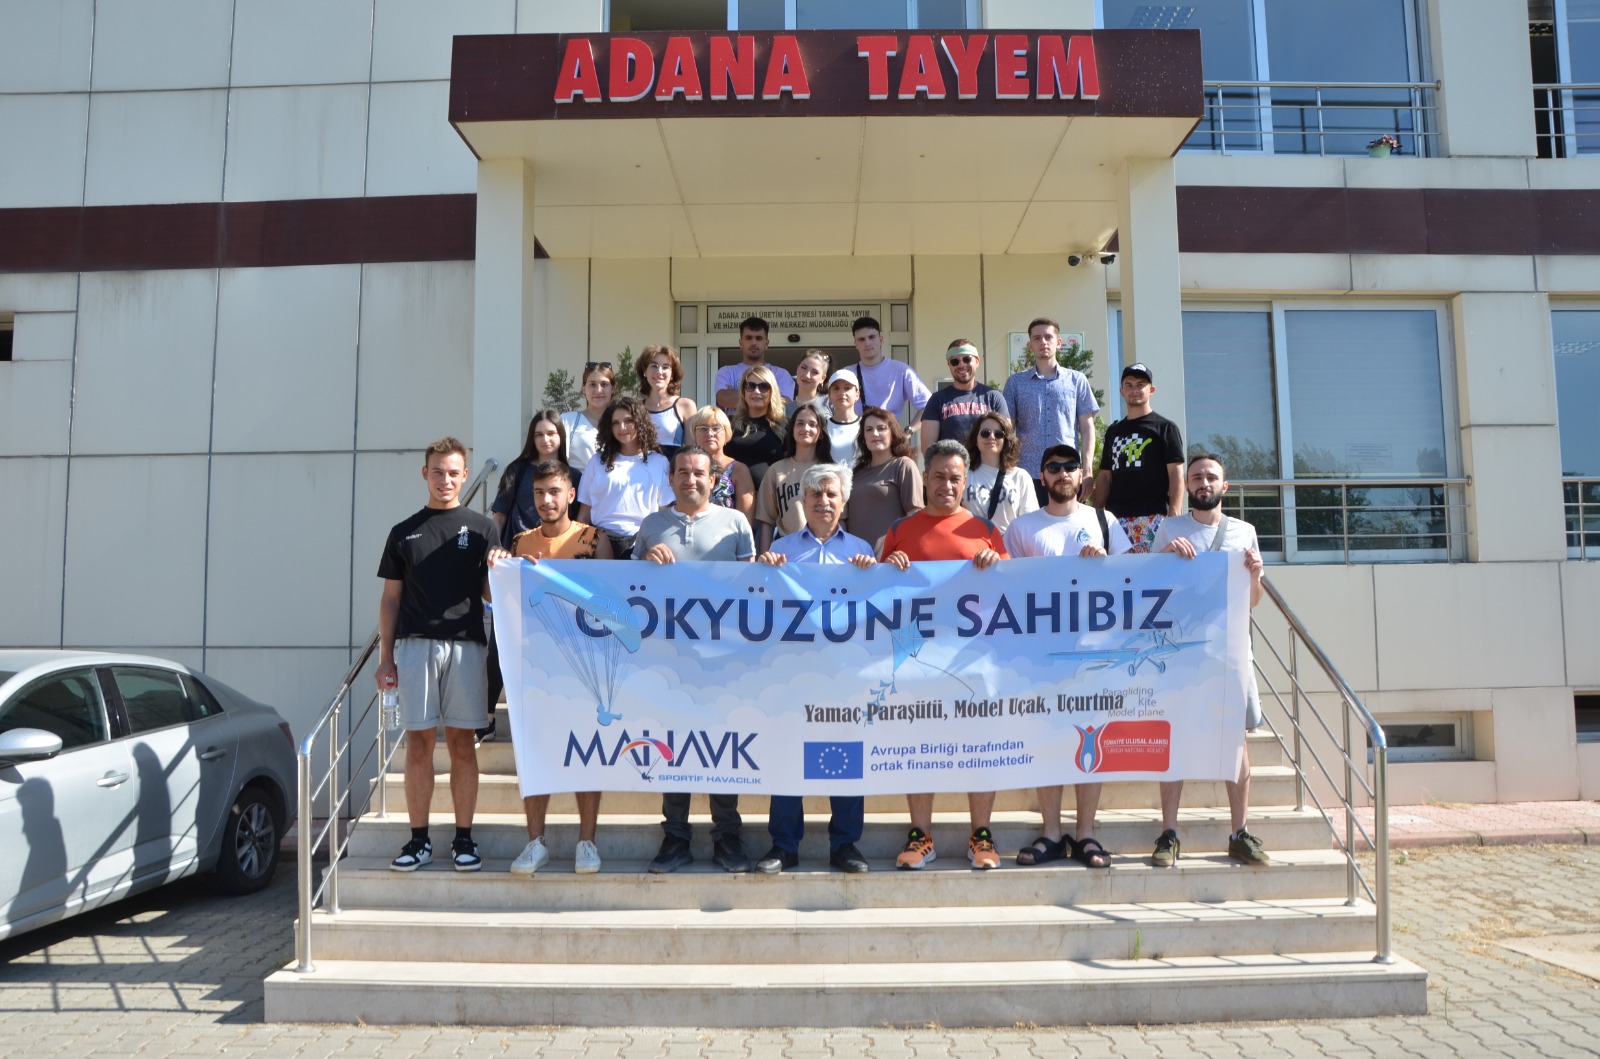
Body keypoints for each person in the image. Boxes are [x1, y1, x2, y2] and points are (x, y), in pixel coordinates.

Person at [376, 437, 508, 873]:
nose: (445, 479)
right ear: (425, 473)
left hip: (467, 647)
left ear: (465, 476)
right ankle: (418, 841)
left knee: (462, 745)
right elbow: (390, 600)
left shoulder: (483, 528)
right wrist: (386, 658)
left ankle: (464, 839)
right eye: (437, 471)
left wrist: (501, 570)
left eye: (453, 472)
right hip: (415, 647)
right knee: (418, 744)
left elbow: (491, 595)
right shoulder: (403, 532)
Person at [878, 440, 1008, 870]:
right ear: (925, 478)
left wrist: (996, 563)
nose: (946, 485)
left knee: (980, 745)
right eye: (938, 476)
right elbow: (879, 594)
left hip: (973, 660)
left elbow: (1014, 593)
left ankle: (981, 836)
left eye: (955, 478)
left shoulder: (985, 530)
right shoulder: (901, 529)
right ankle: (921, 836)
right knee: (918, 744)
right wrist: (888, 567)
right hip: (919, 660)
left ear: (965, 480)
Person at [1002, 444, 1133, 871]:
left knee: (1089, 738)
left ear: (1081, 475)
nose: (1062, 473)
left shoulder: (1104, 521)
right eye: (1053, 467)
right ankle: (1052, 833)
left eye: (1070, 466)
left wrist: (1105, 566)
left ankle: (1086, 832)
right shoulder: (1022, 528)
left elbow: (1132, 582)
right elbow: (1005, 589)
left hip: (1094, 653)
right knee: (1047, 740)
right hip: (1039, 656)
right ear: (1042, 477)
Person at [635, 445, 758, 874]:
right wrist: (645, 562)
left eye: (699, 473)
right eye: (683, 472)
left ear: (713, 479)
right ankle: (676, 838)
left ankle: (727, 837)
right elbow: (632, 590)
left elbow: (750, 590)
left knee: (723, 747)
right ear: (671, 479)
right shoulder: (651, 525)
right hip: (669, 660)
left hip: (723, 658)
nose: (691, 479)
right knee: (673, 748)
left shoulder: (736, 523)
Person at [754, 463, 875, 874]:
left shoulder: (861, 550)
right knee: (788, 754)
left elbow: (878, 609)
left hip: (844, 672)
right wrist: (764, 574)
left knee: (845, 757)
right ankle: (784, 846)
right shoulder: (782, 550)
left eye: (831, 494)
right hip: (793, 672)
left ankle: (845, 845)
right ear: (803, 501)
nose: (823, 501)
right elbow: (759, 607)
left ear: (844, 501)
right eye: (815, 494)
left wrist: (872, 573)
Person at [1149, 454, 1270, 868]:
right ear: (1188, 485)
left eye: (1211, 477)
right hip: (1179, 654)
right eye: (1197, 476)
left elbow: (1252, 601)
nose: (1204, 482)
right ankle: (1169, 833)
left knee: (1236, 743)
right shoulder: (1170, 528)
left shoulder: (1245, 531)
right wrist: (1164, 555)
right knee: (1175, 738)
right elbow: (1150, 591)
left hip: (1231, 653)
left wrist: (1254, 575)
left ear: (1224, 486)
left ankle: (1239, 833)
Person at [504, 459, 612, 875]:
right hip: (536, 665)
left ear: (571, 495)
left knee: (588, 751)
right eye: (539, 493)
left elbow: (609, 600)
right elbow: (494, 597)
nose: (546, 500)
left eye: (554, 492)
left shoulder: (594, 539)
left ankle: (587, 841)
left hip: (584, 662)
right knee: (536, 753)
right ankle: (535, 842)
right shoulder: (520, 543)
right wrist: (497, 565)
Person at [482, 409, 577, 745]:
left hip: (558, 567)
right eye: (539, 434)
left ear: (561, 437)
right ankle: (487, 718)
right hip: (517, 563)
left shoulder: (574, 474)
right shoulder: (516, 470)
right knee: (500, 640)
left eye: (551, 433)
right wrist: (495, 551)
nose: (545, 440)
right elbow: (498, 518)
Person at [1003, 318, 1099, 506]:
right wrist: (1006, 469)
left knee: (1069, 522)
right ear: (1030, 345)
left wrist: (1087, 471)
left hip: (1067, 472)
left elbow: (1087, 429)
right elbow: (1007, 430)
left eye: (1048, 337)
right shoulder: (1015, 383)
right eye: (1037, 338)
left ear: (1059, 342)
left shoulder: (1077, 380)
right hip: (1028, 474)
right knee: (1029, 524)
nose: (1043, 342)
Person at [1093, 362, 1184, 553]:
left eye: (1140, 385)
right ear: (1122, 391)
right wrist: (1096, 514)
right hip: (1115, 520)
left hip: (1153, 518)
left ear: (1151, 390)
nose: (1134, 390)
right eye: (1129, 385)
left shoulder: (1165, 428)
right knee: (1117, 571)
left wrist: (1174, 516)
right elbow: (1105, 477)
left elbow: (1176, 474)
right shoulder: (1113, 431)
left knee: (1151, 571)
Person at [575, 396, 672, 559]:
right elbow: (583, 516)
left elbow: (665, 514)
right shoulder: (596, 462)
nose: (622, 428)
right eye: (615, 423)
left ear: (640, 422)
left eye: (628, 421)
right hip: (599, 544)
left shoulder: (660, 462)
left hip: (643, 546)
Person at [754, 402, 832, 550]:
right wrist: (764, 557)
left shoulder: (830, 471)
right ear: (792, 431)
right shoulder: (776, 470)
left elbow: (841, 520)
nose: (805, 429)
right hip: (787, 552)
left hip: (825, 551)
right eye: (800, 423)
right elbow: (767, 521)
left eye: (812, 424)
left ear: (820, 432)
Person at [846, 406, 923, 553]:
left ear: (892, 433)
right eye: (869, 429)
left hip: (889, 559)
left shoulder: (903, 465)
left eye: (881, 428)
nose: (875, 433)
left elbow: (915, 516)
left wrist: (902, 552)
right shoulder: (856, 473)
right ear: (864, 438)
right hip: (854, 559)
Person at [845, 315, 930, 443]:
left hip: (890, 440)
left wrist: (908, 432)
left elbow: (929, 405)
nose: (867, 343)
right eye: (861, 339)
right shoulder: (847, 374)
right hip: (855, 441)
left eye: (871, 337)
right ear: (855, 344)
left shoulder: (902, 370)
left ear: (881, 339)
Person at [919, 339, 1008, 457]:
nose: (961, 365)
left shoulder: (993, 397)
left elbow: (1007, 440)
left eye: (967, 359)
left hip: (986, 467)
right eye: (955, 361)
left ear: (977, 361)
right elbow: (928, 448)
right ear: (949, 365)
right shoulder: (937, 400)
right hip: (951, 467)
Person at [961, 411, 1038, 534]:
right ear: (976, 439)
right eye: (985, 433)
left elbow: (1030, 523)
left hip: (1008, 544)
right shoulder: (963, 474)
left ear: (1005, 440)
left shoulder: (1020, 477)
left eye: (998, 434)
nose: (991, 437)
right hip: (972, 542)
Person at [686, 405, 756, 523]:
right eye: (703, 428)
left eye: (716, 428)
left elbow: (745, 520)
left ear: (726, 432)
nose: (710, 433)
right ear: (694, 433)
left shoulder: (738, 469)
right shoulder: (686, 468)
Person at [724, 364, 788, 490]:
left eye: (763, 387)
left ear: (772, 391)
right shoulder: (729, 424)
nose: (756, 391)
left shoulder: (785, 426)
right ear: (743, 391)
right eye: (750, 386)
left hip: (770, 496)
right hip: (732, 496)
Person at [714, 316, 795, 411]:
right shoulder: (726, 372)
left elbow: (784, 403)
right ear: (741, 343)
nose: (753, 342)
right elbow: (723, 398)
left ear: (766, 344)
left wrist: (737, 394)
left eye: (758, 338)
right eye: (748, 338)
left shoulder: (781, 374)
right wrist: (769, 395)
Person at [637, 345, 697, 464]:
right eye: (654, 366)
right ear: (644, 371)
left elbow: (692, 450)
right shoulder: (636, 407)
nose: (659, 372)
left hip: (672, 472)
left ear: (672, 374)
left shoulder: (686, 406)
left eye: (665, 367)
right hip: (641, 471)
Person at [561, 362, 615, 472]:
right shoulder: (568, 421)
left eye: (604, 384)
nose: (598, 390)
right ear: (583, 388)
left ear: (613, 388)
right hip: (577, 482)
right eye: (592, 384)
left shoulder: (621, 423)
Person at [824, 369, 863, 454]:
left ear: (857, 394)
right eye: (836, 388)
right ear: (829, 395)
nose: (842, 393)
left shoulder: (866, 425)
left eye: (847, 388)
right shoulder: (822, 427)